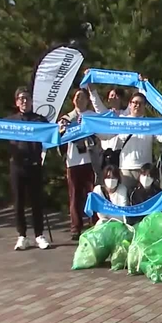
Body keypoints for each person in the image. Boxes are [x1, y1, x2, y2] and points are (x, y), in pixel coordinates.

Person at [0, 87, 51, 250]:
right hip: (17, 166)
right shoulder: (10, 121)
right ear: (16, 102)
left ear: (31, 101)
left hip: (34, 165)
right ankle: (22, 236)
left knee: (37, 202)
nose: (24, 101)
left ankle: (39, 235)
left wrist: (61, 129)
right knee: (18, 202)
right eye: (21, 98)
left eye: (27, 98)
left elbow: (52, 135)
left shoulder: (40, 121)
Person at [100, 92, 162, 192]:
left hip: (145, 171)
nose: (137, 105)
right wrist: (90, 126)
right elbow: (106, 135)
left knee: (143, 201)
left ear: (145, 106)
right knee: (126, 200)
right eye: (135, 102)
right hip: (126, 169)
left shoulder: (150, 123)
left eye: (141, 103)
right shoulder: (121, 121)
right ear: (130, 104)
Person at [59, 89, 99, 241]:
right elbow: (59, 140)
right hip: (73, 161)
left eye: (83, 97)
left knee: (92, 193)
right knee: (75, 196)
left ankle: (94, 222)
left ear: (88, 100)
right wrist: (61, 132)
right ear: (73, 100)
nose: (80, 99)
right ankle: (76, 227)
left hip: (90, 160)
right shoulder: (66, 118)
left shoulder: (92, 116)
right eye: (77, 97)